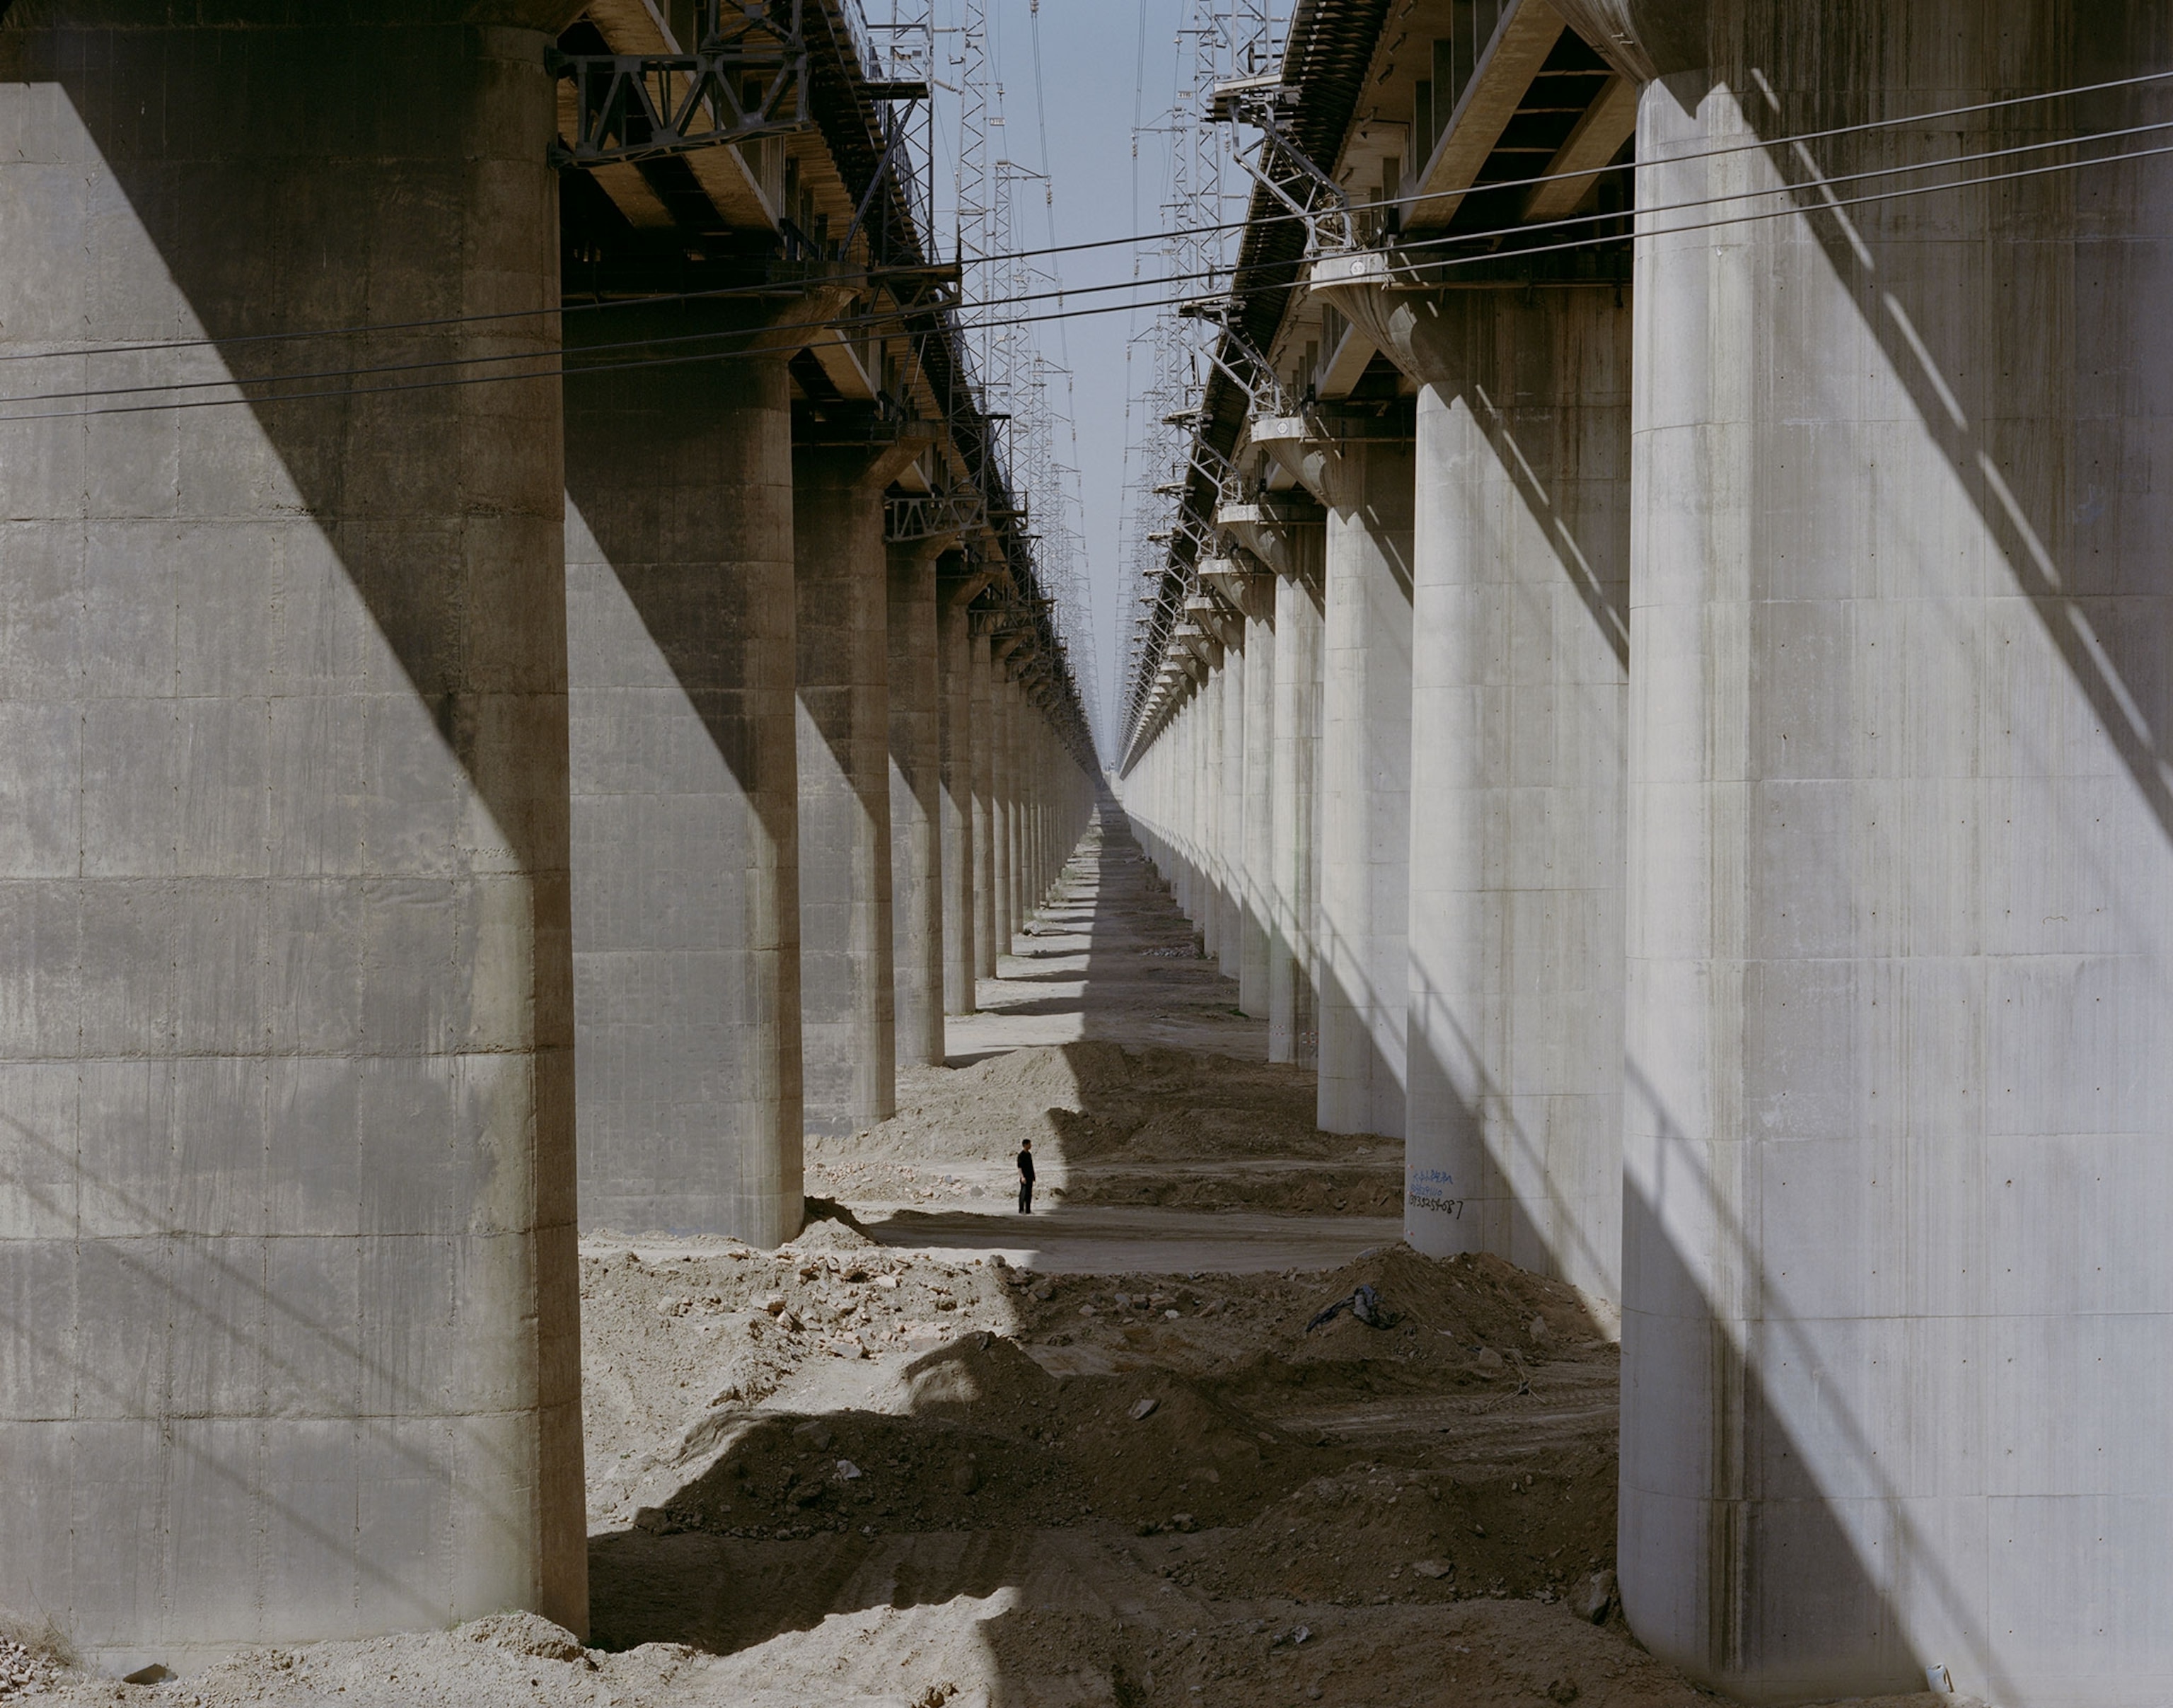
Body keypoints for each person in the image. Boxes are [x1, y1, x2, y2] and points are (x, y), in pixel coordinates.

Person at [1016, 1137, 1035, 1214]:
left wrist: (1033, 1176)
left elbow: (1031, 1166)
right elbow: (1019, 1167)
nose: (1031, 1145)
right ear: (1025, 1145)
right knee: (1023, 1194)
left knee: (1029, 1194)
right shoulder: (1021, 1155)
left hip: (1030, 1177)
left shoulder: (1029, 1154)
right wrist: (1022, 1177)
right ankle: (1021, 1209)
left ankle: (1028, 1210)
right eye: (1029, 1144)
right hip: (1024, 1177)